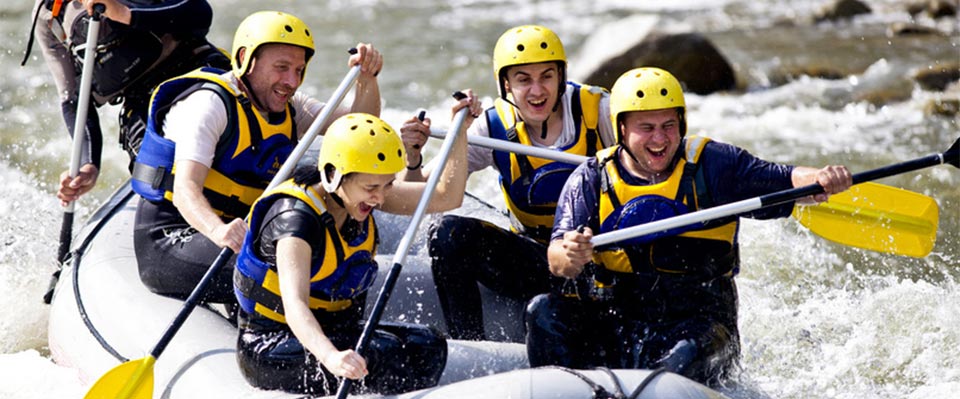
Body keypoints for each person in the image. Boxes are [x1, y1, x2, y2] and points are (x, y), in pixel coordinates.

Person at [524, 67, 853, 386]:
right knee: (543, 311)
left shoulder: (713, 165)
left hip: (700, 326)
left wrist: (820, 179)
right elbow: (557, 260)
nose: (659, 139)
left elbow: (787, 180)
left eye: (669, 125)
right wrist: (572, 254)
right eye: (646, 127)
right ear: (621, 128)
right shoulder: (591, 178)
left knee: (682, 356)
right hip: (617, 322)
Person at [130, 11, 384, 305]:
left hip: (237, 235)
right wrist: (218, 231)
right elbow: (186, 190)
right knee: (293, 266)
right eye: (281, 67)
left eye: (299, 70)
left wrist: (367, 79)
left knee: (324, 254)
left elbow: (357, 127)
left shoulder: (290, 107)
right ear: (245, 59)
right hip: (172, 239)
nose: (291, 81)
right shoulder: (209, 105)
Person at [233, 102, 480, 395]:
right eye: (371, 188)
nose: (380, 198)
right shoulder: (294, 222)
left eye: (387, 185)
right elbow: (295, 306)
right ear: (334, 175)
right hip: (272, 344)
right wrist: (331, 357)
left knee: (427, 346)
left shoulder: (358, 193)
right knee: (381, 354)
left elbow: (446, 197)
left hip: (332, 331)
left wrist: (459, 131)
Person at [401, 24, 616, 341]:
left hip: (599, 261)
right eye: (523, 80)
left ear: (561, 76)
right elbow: (422, 195)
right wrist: (413, 156)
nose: (537, 91)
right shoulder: (492, 126)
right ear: (506, 84)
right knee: (448, 233)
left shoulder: (600, 112)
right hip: (538, 261)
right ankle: (470, 345)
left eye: (546, 76)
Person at [26, 0, 231, 206]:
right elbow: (73, 100)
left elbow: (199, 11)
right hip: (143, 102)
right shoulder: (47, 17)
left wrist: (125, 14)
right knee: (156, 185)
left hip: (193, 66)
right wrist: (89, 163)